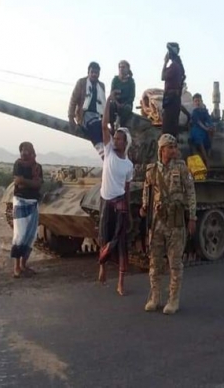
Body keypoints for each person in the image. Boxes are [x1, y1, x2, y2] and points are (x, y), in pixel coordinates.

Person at [139, 133, 197, 315]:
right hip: (157, 222)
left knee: (175, 263)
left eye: (174, 147)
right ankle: (155, 297)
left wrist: (192, 217)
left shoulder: (181, 168)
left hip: (175, 222)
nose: (174, 150)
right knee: (155, 262)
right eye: (170, 147)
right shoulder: (152, 170)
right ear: (162, 149)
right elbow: (146, 191)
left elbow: (191, 193)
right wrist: (144, 207)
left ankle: (173, 299)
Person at [97, 90, 134, 296]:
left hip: (119, 203)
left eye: (119, 138)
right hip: (105, 200)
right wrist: (109, 101)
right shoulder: (109, 150)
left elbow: (127, 188)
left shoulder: (129, 165)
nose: (116, 140)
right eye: (115, 137)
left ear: (125, 143)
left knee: (120, 243)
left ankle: (120, 282)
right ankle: (102, 267)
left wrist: (129, 211)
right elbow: (104, 126)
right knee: (103, 237)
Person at [10, 141, 44, 278]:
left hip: (33, 202)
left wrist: (24, 181)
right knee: (20, 234)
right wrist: (30, 183)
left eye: (27, 150)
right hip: (20, 201)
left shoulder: (38, 167)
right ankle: (16, 267)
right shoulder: (18, 164)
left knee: (31, 235)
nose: (24, 153)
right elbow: (18, 182)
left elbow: (37, 185)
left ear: (32, 151)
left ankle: (24, 265)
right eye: (22, 150)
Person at [68, 61, 107, 159]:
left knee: (103, 128)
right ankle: (101, 152)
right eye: (92, 72)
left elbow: (104, 104)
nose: (94, 74)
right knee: (94, 125)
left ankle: (109, 153)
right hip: (84, 115)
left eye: (96, 73)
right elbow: (73, 100)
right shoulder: (81, 83)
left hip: (98, 115)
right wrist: (71, 118)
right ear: (88, 72)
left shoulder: (101, 86)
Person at [161, 42, 186, 138]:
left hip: (171, 99)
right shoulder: (178, 66)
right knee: (172, 126)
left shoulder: (174, 66)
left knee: (167, 128)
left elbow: (163, 76)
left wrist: (165, 62)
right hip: (174, 99)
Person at [189, 93, 214, 167]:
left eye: (199, 101)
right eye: (196, 101)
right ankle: (206, 159)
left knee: (209, 139)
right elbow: (198, 122)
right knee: (199, 139)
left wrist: (211, 126)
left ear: (202, 101)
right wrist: (206, 128)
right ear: (193, 103)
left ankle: (208, 155)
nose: (197, 103)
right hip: (196, 129)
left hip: (204, 129)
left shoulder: (204, 111)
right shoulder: (194, 112)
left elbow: (209, 119)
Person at [110, 60, 136, 128]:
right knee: (110, 106)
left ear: (128, 69)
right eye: (120, 67)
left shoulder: (131, 81)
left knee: (126, 109)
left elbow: (132, 96)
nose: (121, 69)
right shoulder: (115, 80)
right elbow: (112, 94)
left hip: (126, 104)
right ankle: (112, 126)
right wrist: (117, 103)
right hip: (116, 102)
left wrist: (123, 104)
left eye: (123, 67)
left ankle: (121, 127)